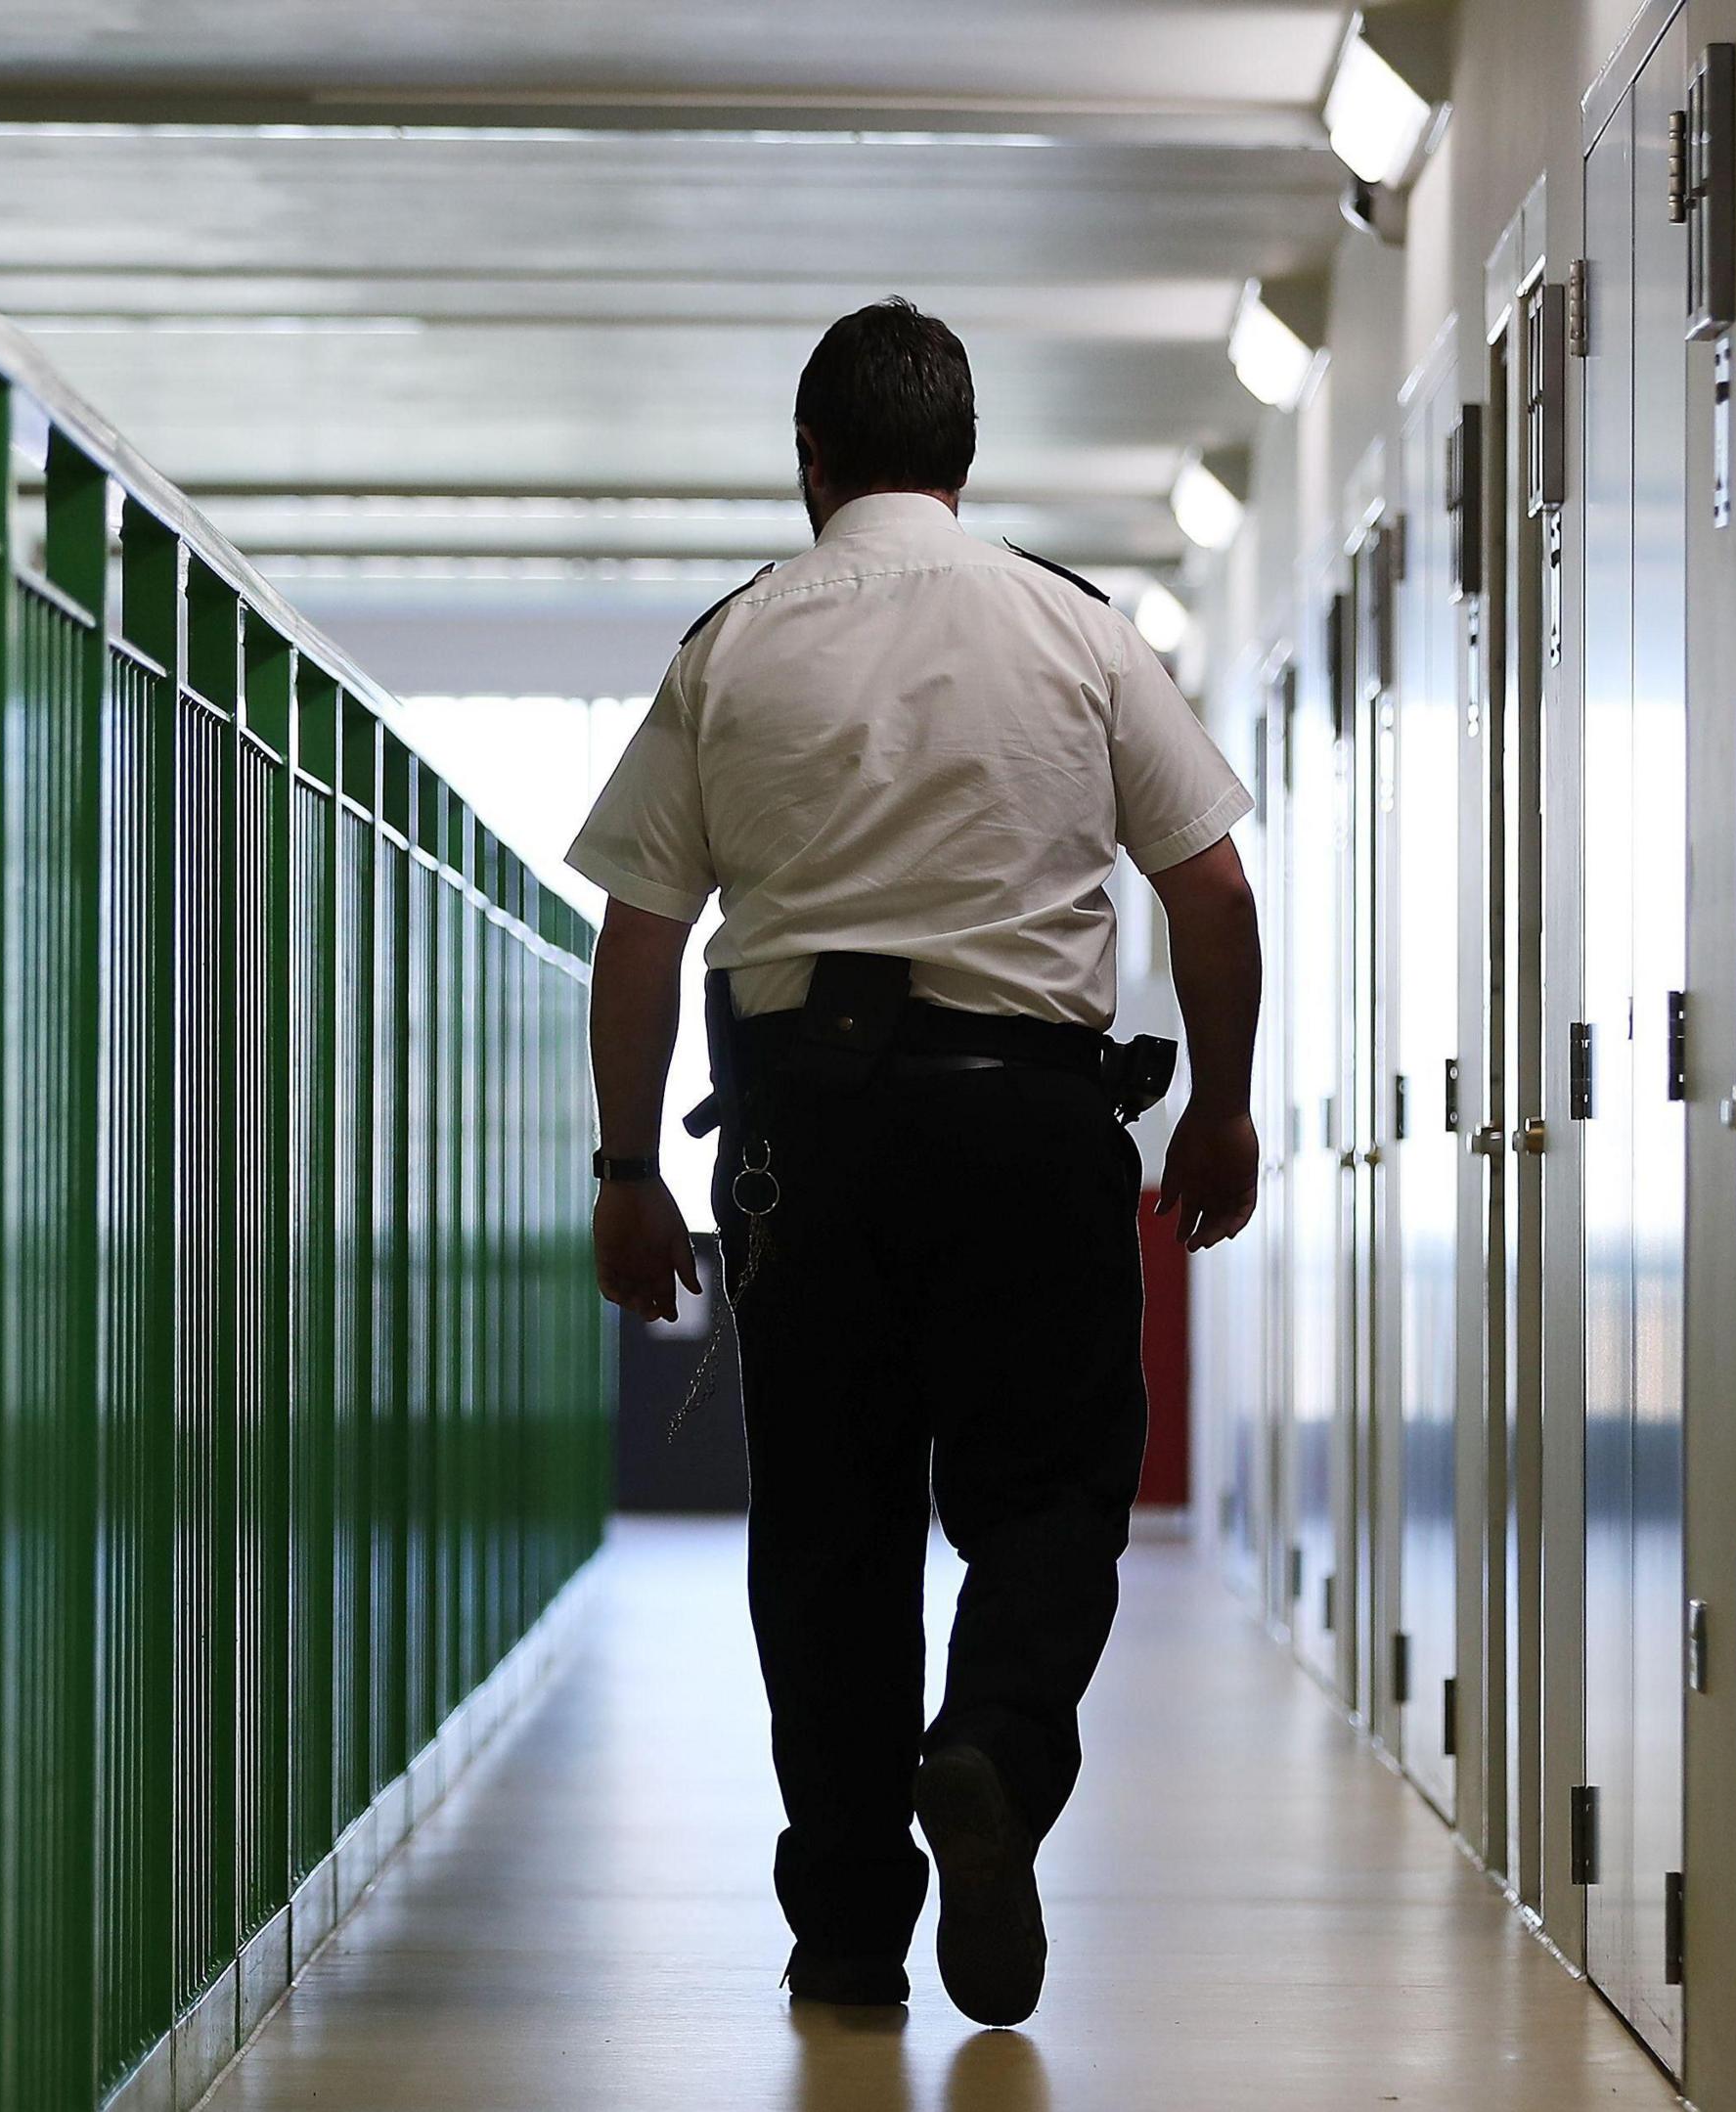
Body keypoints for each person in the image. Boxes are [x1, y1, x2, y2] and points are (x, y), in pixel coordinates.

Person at [567, 297, 1266, 2028]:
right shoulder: (1078, 632)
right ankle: (995, 1754)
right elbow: (1214, 893)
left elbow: (642, 933)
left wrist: (628, 1168)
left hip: (803, 1140)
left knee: (829, 1530)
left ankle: (850, 1938)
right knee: (1050, 1488)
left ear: (810, 464)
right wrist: (1224, 1109)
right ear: (964, 460)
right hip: (1028, 1121)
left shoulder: (731, 641)